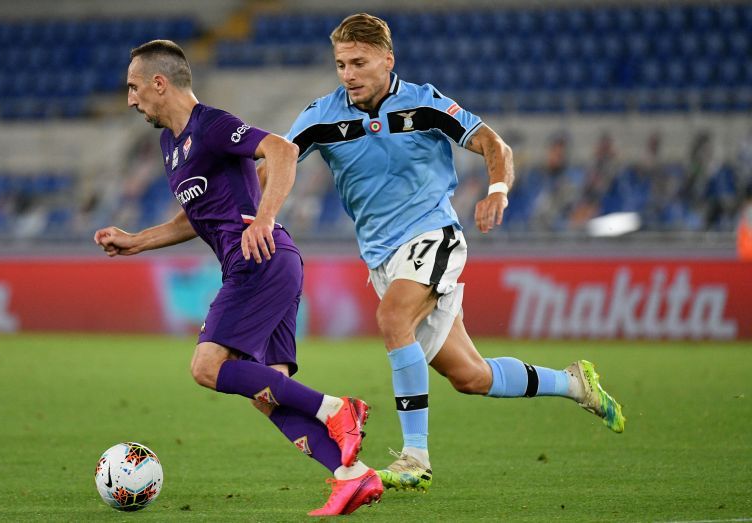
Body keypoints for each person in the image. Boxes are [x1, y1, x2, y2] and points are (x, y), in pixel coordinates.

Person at [267, 13, 625, 492]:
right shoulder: (322, 116)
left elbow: (494, 144)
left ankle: (416, 457)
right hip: (382, 258)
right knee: (470, 376)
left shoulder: (425, 103)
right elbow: (279, 159)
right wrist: (259, 211)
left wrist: (497, 189)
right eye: (340, 64)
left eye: (358, 62)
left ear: (387, 60)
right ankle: (573, 383)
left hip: (434, 236)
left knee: (393, 319)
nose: (347, 74)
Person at [93, 40, 382, 516]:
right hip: (268, 262)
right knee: (266, 391)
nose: (130, 99)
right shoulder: (171, 145)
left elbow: (282, 152)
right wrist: (137, 240)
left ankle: (335, 409)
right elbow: (196, 216)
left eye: (134, 87)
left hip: (260, 258)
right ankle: (351, 475)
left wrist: (265, 217)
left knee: (207, 367)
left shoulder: (212, 125)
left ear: (159, 84)